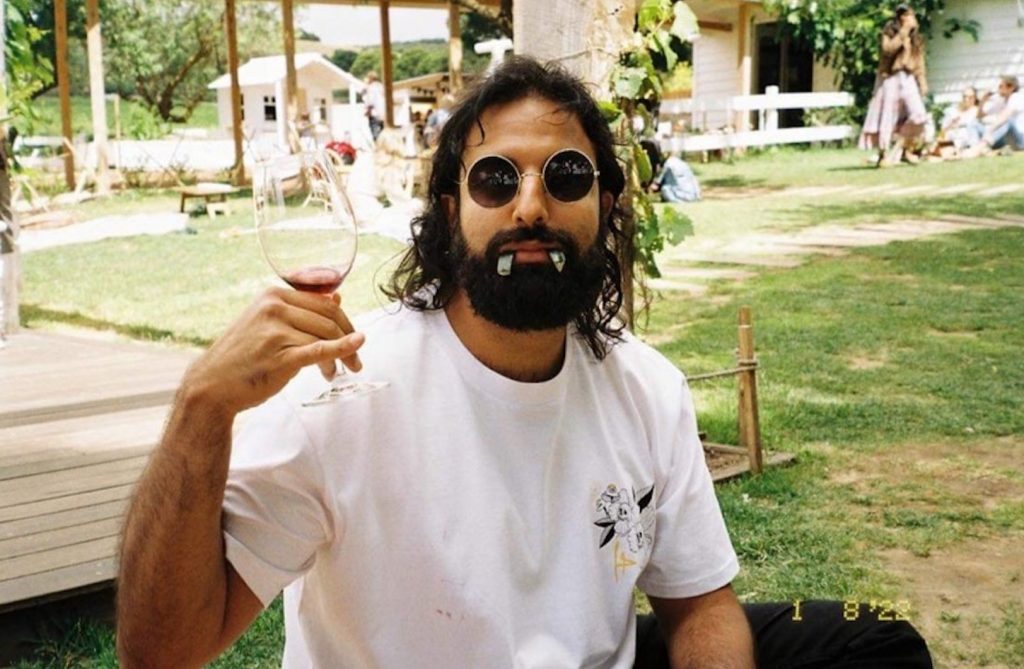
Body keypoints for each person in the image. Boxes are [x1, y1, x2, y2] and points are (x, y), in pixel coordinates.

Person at [116, 57, 933, 668]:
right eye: (495, 179)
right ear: (450, 210)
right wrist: (199, 410)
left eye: (566, 176)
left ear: (605, 205)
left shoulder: (645, 387)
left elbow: (701, 605)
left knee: (877, 640)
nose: (531, 205)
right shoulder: (343, 397)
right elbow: (160, 650)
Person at [859, 3, 930, 167]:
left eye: (910, 14)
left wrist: (922, 81)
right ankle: (883, 154)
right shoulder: (890, 32)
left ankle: (905, 148)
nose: (909, 18)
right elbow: (888, 49)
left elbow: (919, 61)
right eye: (905, 15)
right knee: (887, 116)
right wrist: (903, 32)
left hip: (908, 77)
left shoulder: (916, 38)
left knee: (918, 114)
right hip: (891, 77)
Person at [964, 75, 1024, 156]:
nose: (998, 89)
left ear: (1011, 88)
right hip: (1004, 140)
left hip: (1020, 139)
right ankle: (975, 148)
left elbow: (1005, 116)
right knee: (973, 123)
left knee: (1008, 121)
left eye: (1001, 86)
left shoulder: (1017, 97)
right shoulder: (1001, 100)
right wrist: (982, 101)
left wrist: (989, 131)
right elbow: (979, 116)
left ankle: (980, 147)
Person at [931, 86, 980, 158]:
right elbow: (943, 131)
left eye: (970, 97)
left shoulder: (977, 111)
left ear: (975, 98)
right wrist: (951, 125)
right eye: (964, 97)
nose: (966, 99)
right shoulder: (953, 111)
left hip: (965, 139)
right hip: (951, 137)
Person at [362, 71, 385, 140]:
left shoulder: (371, 87)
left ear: (370, 79)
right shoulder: (381, 86)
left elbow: (370, 102)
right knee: (382, 135)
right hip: (383, 114)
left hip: (374, 115)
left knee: (376, 136)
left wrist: (367, 112)